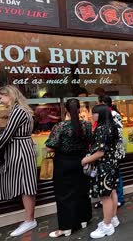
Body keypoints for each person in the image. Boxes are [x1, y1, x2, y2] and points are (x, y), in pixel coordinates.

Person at [0, 86, 38, 236]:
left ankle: (29, 220)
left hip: (20, 151)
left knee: (26, 184)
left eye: (1, 97)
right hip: (16, 150)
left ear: (10, 95)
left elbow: (7, 134)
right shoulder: (20, 110)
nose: (0, 101)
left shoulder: (18, 111)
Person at [45, 99, 93, 238]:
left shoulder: (60, 126)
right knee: (82, 191)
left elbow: (50, 146)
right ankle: (84, 219)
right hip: (82, 161)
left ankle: (66, 227)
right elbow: (90, 141)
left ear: (65, 109)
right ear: (79, 109)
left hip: (64, 163)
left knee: (64, 195)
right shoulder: (87, 125)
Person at [82, 104, 120, 238]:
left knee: (105, 196)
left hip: (104, 166)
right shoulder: (111, 126)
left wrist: (84, 161)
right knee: (112, 191)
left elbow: (100, 153)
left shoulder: (101, 129)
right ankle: (112, 219)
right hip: (112, 164)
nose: (91, 116)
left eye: (94, 113)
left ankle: (107, 225)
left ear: (100, 114)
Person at [94, 95, 125, 208]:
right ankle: (106, 199)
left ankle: (119, 198)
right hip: (108, 151)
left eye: (98, 103)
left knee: (116, 174)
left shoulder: (113, 115)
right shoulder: (108, 115)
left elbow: (117, 134)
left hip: (113, 151)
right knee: (107, 176)